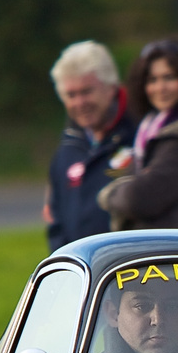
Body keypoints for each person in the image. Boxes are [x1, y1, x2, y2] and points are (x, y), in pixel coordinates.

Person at [96, 38, 178, 232]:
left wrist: (110, 194)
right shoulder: (151, 133)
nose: (160, 88)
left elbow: (138, 199)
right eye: (152, 80)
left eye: (170, 77)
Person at [44, 41, 135, 249]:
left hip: (131, 270)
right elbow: (55, 219)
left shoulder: (141, 135)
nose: (79, 103)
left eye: (86, 92)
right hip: (82, 272)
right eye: (71, 95)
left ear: (111, 88)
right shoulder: (68, 145)